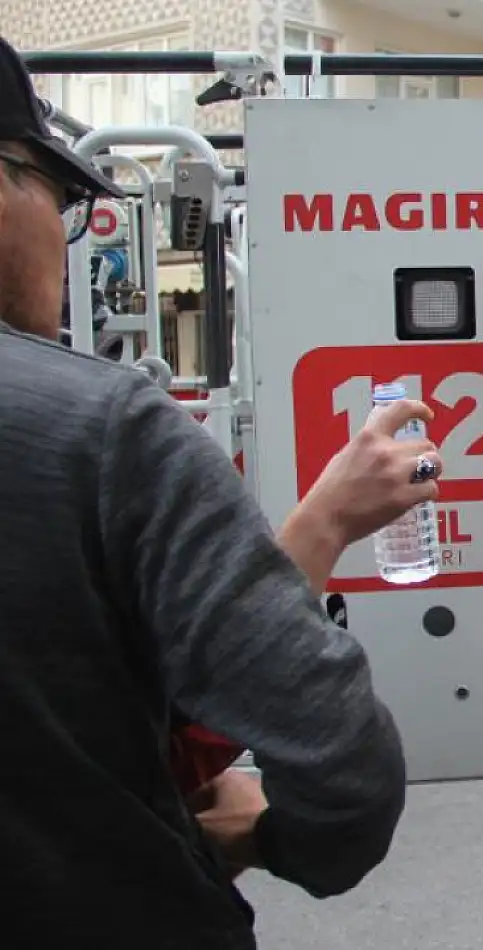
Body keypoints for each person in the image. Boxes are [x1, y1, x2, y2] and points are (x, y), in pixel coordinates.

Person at [0, 36, 432, 943]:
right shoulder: (103, 428)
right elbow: (334, 752)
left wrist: (320, 523)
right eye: (66, 199)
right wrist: (277, 840)